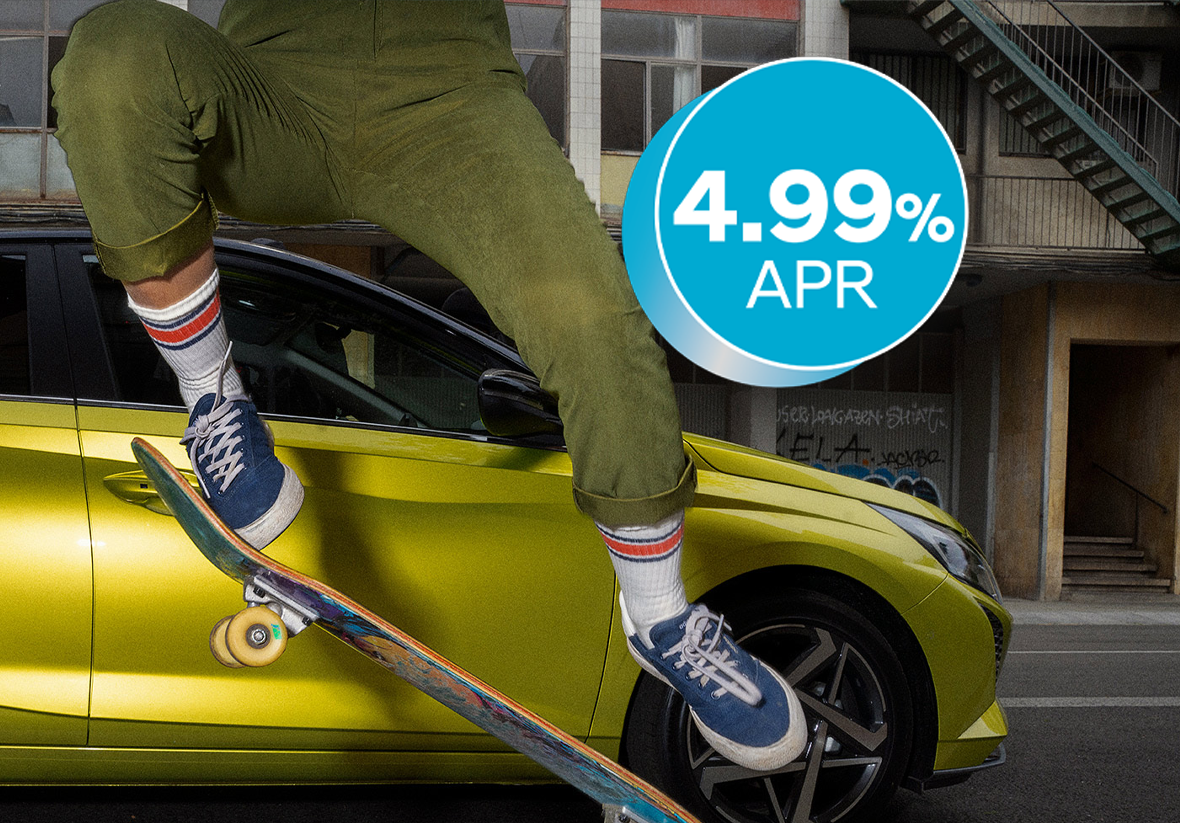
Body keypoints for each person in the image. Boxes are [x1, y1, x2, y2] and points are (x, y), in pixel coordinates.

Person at [51, 0, 807, 772]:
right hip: (270, 95)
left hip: (452, 104)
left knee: (594, 323)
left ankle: (661, 620)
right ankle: (214, 398)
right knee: (112, 51)